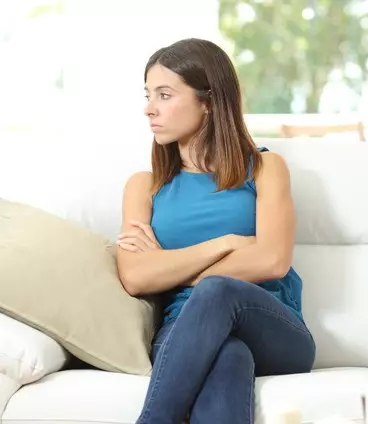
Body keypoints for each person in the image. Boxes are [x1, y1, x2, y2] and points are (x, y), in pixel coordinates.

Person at [115, 38, 316, 424]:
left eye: (164, 95)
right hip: (181, 333)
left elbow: (273, 261)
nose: (149, 108)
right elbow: (136, 277)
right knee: (229, 355)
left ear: (208, 101)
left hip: (275, 331)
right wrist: (225, 244)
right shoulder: (144, 186)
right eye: (148, 95)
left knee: (218, 290)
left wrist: (168, 267)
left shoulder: (265, 169)